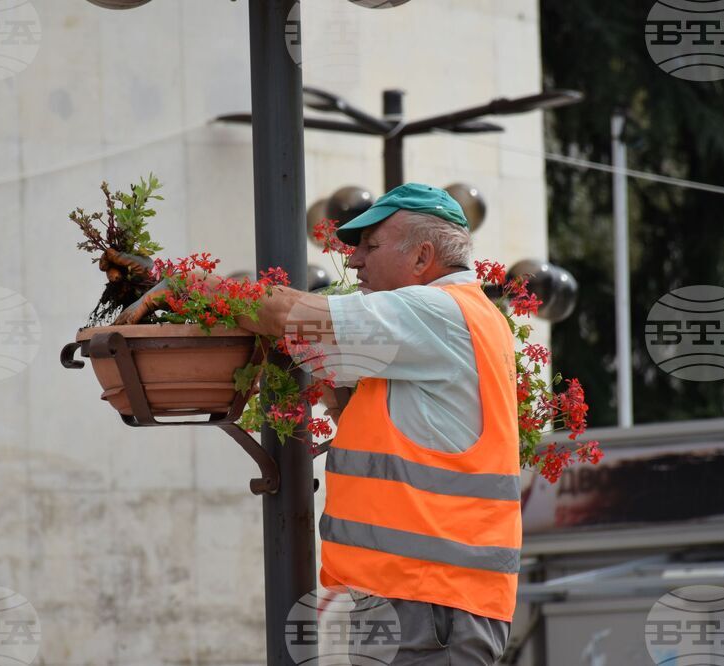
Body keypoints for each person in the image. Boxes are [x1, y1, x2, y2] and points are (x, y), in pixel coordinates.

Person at [111, 183, 521, 665]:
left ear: (422, 257)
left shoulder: (436, 310)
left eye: (371, 246)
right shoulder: (446, 324)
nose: (355, 262)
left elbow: (289, 313)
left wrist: (189, 286)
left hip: (429, 602)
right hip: (418, 603)